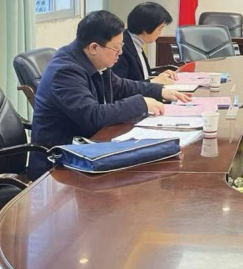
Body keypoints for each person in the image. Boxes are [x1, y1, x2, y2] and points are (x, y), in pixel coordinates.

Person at [29, 10, 191, 179]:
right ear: (94, 47)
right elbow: (92, 115)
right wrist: (141, 103)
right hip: (60, 164)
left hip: (88, 150)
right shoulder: (65, 71)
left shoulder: (92, 59)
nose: (120, 52)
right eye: (116, 47)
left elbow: (120, 86)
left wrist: (159, 90)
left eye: (121, 45)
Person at [113, 1, 176, 84]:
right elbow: (121, 86)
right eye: (160, 29)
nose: (160, 33)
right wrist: (153, 81)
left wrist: (161, 76)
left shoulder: (135, 42)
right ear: (146, 29)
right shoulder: (122, 48)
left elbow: (143, 76)